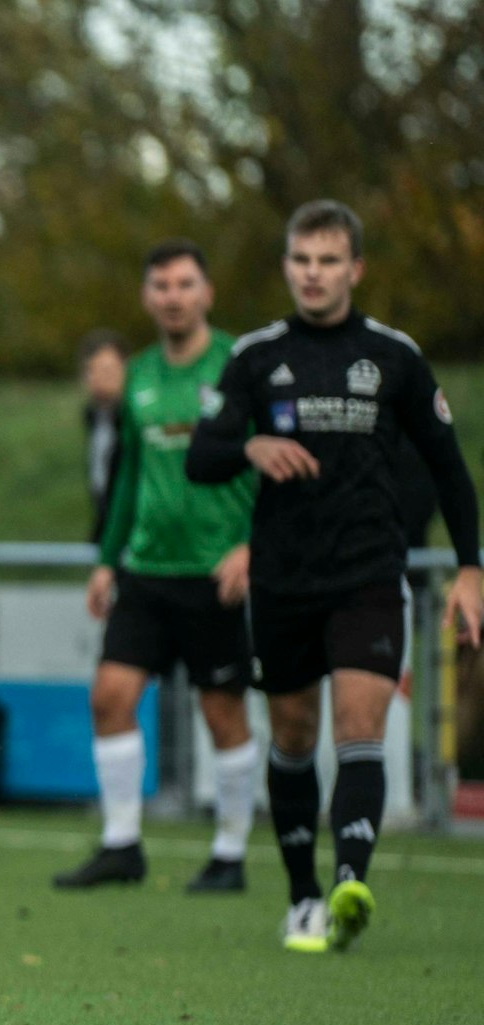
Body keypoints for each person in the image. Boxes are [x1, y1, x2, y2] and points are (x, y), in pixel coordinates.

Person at [187, 199, 482, 952]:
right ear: (287, 266)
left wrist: (470, 568)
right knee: (293, 734)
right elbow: (201, 457)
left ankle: (351, 880)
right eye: (301, 260)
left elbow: (450, 470)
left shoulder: (394, 356)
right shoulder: (257, 355)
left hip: (368, 573)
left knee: (359, 726)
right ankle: (303, 898)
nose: (313, 274)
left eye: (328, 260)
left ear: (356, 269)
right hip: (283, 580)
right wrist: (250, 447)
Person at [54, 240, 260, 893]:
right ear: (148, 297)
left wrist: (252, 545)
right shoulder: (138, 374)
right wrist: (106, 561)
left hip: (215, 573)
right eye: (162, 286)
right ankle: (122, 844)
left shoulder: (240, 365)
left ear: (207, 293)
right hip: (145, 570)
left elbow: (272, 462)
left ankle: (230, 852)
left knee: (222, 713)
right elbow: (128, 479)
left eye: (185, 284)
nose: (174, 297)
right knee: (110, 697)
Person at [80, 330, 129, 542]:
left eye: (107, 370)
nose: (97, 378)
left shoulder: (132, 421)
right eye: (90, 371)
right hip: (106, 527)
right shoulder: (93, 417)